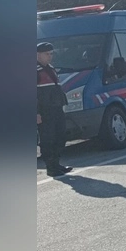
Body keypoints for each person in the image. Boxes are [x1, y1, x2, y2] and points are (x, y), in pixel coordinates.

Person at [37, 42, 73, 177]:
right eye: (47, 54)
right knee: (48, 139)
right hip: (44, 111)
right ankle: (51, 167)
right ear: (38, 55)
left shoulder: (50, 68)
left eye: (51, 54)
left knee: (60, 136)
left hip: (56, 108)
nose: (50, 57)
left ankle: (57, 164)